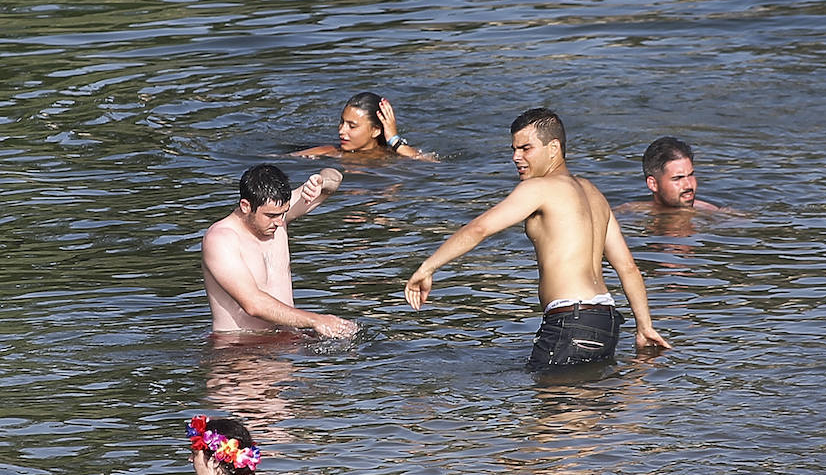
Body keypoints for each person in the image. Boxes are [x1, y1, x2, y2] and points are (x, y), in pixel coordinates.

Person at [405, 108, 670, 370]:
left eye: (525, 148)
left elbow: (479, 229)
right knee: (587, 408)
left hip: (570, 320)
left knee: (550, 407)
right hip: (606, 321)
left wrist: (427, 268)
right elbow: (627, 267)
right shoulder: (594, 192)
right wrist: (644, 326)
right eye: (513, 149)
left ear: (553, 148)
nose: (516, 157)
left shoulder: (538, 188)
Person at [202, 164, 357, 338]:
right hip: (238, 346)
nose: (279, 222)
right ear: (246, 206)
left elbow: (335, 177)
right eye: (271, 216)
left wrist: (321, 183)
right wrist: (316, 320)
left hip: (286, 338)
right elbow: (253, 304)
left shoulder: (278, 214)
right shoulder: (220, 239)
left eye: (283, 213)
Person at [290, 92, 434, 160]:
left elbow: (433, 164)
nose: (341, 131)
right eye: (342, 122)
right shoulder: (330, 152)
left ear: (375, 130)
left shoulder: (393, 155)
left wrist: (395, 141)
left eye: (352, 126)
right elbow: (283, 159)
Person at [626, 136, 719, 211]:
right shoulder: (627, 214)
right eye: (678, 178)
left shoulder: (713, 214)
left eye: (691, 175)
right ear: (653, 184)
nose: (689, 185)